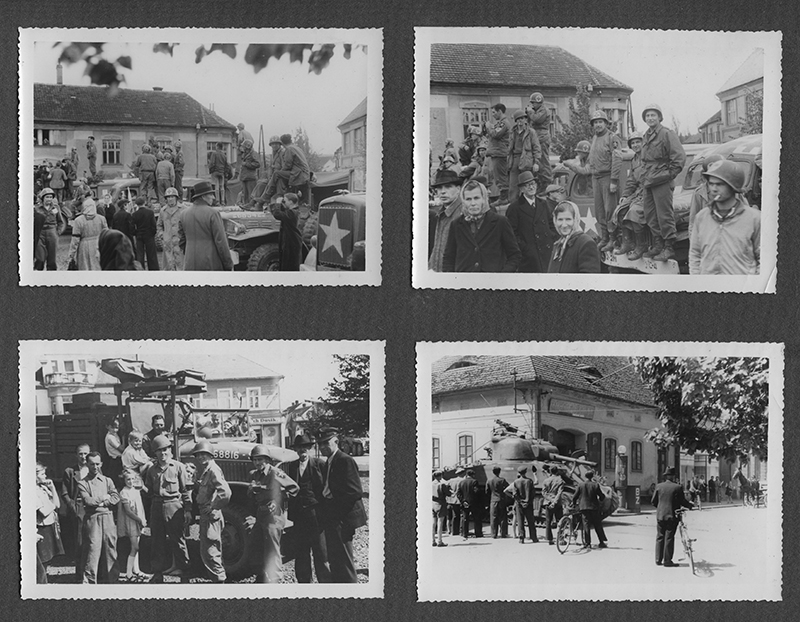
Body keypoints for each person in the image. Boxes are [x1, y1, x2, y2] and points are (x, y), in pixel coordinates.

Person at [689, 160, 760, 275]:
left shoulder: (754, 219)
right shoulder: (702, 218)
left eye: (720, 184)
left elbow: (763, 258)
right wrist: (697, 282)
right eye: (711, 184)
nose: (714, 189)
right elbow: (695, 255)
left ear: (733, 186)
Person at [316, 427, 367, 583]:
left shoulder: (345, 460)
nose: (322, 447)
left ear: (336, 442)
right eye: (320, 444)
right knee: (335, 558)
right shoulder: (329, 462)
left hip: (342, 518)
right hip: (332, 517)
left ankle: (351, 594)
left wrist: (338, 514)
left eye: (326, 443)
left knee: (344, 560)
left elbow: (354, 492)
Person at [280, 433, 333, 582]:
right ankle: (304, 585)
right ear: (296, 450)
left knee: (321, 553)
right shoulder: (292, 466)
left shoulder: (320, 464)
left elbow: (327, 489)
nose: (302, 451)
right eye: (299, 448)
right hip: (299, 517)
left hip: (317, 516)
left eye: (305, 447)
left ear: (309, 449)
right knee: (301, 553)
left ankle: (326, 586)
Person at [246, 444, 300, 583]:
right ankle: (261, 574)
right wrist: (251, 490)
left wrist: (278, 500)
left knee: (272, 548)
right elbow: (251, 496)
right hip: (261, 514)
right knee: (255, 543)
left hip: (274, 516)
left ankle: (276, 578)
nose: (258, 463)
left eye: (260, 459)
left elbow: (294, 488)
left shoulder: (275, 473)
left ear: (267, 460)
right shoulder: (254, 474)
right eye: (255, 460)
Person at [442, 180, 521, 272]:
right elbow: (448, 257)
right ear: (463, 201)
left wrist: (502, 277)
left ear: (484, 199)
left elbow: (514, 255)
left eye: (476, 198)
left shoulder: (500, 222)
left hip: (491, 283)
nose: (473, 203)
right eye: (468, 199)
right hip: (464, 283)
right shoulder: (456, 224)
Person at [640, 103, 686, 260]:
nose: (650, 118)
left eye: (653, 115)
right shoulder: (645, 135)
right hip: (648, 182)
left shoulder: (667, 134)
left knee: (664, 215)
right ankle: (658, 245)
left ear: (659, 117)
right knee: (650, 215)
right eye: (647, 116)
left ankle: (669, 247)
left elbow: (679, 157)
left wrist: (667, 175)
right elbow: (644, 160)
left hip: (662, 181)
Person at [143, 435, 191, 583]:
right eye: (159, 451)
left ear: (169, 450)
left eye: (165, 450)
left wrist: (188, 510)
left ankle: (185, 573)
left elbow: (185, 491)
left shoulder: (178, 467)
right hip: (157, 506)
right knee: (157, 541)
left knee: (178, 541)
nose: (163, 453)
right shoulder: (151, 470)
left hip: (174, 506)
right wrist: (139, 487)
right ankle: (158, 573)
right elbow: (149, 491)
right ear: (155, 453)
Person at [192, 440, 231, 583]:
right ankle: (219, 579)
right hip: (207, 514)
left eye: (204, 454)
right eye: (199, 455)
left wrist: (214, 506)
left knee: (211, 551)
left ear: (210, 455)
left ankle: (219, 583)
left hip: (210, 515)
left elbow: (225, 492)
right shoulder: (207, 470)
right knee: (211, 549)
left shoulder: (213, 470)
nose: (201, 457)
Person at [78, 452, 120, 583]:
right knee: (92, 550)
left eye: (97, 464)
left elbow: (116, 497)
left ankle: (112, 581)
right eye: (92, 464)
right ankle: (89, 583)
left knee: (110, 549)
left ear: (101, 464)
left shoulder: (108, 480)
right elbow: (88, 501)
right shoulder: (82, 483)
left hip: (108, 518)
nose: (95, 467)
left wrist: (105, 502)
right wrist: (103, 498)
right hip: (93, 519)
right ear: (87, 464)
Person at [506, 171, 557, 273]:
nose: (531, 187)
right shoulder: (514, 208)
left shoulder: (543, 204)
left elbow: (552, 225)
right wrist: (526, 249)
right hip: (529, 257)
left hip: (546, 252)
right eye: (526, 185)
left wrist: (551, 240)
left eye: (533, 184)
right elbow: (511, 234)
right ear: (521, 189)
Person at [586, 110, 622, 253]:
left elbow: (617, 159)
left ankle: (614, 238)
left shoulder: (612, 137)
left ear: (606, 123)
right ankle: (605, 237)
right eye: (595, 122)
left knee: (610, 210)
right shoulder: (594, 138)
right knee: (599, 210)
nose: (598, 125)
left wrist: (614, 180)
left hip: (608, 177)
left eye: (600, 122)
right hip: (596, 178)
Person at [178, 181, 234, 271]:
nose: (214, 197)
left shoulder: (183, 214)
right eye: (211, 194)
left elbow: (181, 241)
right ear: (203, 197)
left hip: (189, 264)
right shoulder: (213, 213)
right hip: (210, 264)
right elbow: (221, 242)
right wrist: (228, 265)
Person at [612, 132, 648, 259]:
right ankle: (628, 243)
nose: (636, 145)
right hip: (637, 192)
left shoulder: (648, 157)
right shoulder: (634, 160)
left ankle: (641, 245)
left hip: (648, 192)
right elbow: (631, 180)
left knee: (634, 212)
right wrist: (625, 195)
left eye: (638, 142)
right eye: (633, 143)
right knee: (620, 210)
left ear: (643, 143)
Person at [651, 467, 694, 566]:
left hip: (660, 516)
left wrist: (661, 508)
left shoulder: (659, 486)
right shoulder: (677, 487)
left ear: (666, 476)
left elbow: (653, 501)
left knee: (660, 536)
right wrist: (690, 506)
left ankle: (658, 560)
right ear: (673, 476)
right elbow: (682, 501)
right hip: (672, 516)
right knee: (669, 537)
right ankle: (667, 561)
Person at [61, 443, 90, 582]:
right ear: (76, 455)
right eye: (81, 454)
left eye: (86, 454)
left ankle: (92, 573)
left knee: (92, 540)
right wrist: (72, 506)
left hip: (92, 508)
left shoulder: (94, 468)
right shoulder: (70, 471)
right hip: (78, 508)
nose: (84, 457)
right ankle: (79, 575)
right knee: (79, 542)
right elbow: (64, 492)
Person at [548, 201, 602, 273]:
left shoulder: (586, 243)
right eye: (560, 219)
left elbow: (589, 281)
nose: (564, 225)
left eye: (568, 219)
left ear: (575, 219)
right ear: (555, 221)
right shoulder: (558, 245)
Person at [428, 169, 464, 271]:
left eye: (448, 187)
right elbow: (437, 247)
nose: (442, 191)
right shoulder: (441, 212)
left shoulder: (463, 213)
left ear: (458, 189)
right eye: (439, 188)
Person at [36, 462, 64, 583]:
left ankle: (44, 580)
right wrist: (52, 505)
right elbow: (44, 511)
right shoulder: (32, 491)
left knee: (49, 558)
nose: (45, 476)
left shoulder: (43, 488)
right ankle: (41, 582)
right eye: (42, 474)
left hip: (50, 524)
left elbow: (57, 504)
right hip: (42, 527)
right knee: (43, 558)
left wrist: (52, 487)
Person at [117, 470, 147, 581]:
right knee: (135, 547)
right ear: (124, 481)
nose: (131, 481)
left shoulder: (135, 490)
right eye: (128, 479)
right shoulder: (124, 492)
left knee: (136, 546)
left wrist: (142, 519)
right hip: (131, 521)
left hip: (138, 520)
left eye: (133, 479)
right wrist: (139, 520)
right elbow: (128, 511)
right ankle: (129, 573)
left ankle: (136, 570)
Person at [507, 109, 541, 204]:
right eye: (518, 119)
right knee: (513, 186)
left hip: (527, 160)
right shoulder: (512, 132)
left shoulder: (531, 132)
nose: (520, 121)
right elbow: (509, 148)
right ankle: (513, 206)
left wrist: (536, 162)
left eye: (522, 119)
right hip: (514, 159)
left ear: (526, 120)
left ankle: (529, 205)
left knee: (528, 184)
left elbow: (536, 148)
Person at [68, 197, 108, 270]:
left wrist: (72, 254)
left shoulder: (78, 220)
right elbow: (106, 235)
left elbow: (75, 239)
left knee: (85, 267)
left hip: (84, 246)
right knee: (97, 267)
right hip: (98, 245)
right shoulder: (102, 218)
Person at [572, 469, 608, 549]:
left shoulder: (581, 485)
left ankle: (588, 543)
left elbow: (575, 496)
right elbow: (601, 496)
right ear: (592, 477)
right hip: (594, 508)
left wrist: (574, 503)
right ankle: (601, 542)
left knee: (586, 525)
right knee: (597, 525)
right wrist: (602, 499)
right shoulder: (595, 485)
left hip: (584, 507)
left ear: (585, 476)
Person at [483, 103, 511, 205]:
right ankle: (503, 197)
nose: (493, 115)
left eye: (494, 112)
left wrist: (488, 126)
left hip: (500, 153)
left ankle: (503, 198)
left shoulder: (503, 123)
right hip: (497, 152)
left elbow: (495, 134)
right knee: (498, 175)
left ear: (500, 111)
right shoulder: (500, 123)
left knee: (500, 176)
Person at [273, 133, 311, 201]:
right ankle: (279, 197)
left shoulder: (289, 149)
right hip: (304, 174)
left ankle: (271, 197)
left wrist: (281, 171)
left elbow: (288, 165)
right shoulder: (297, 148)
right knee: (280, 177)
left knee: (276, 174)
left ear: (282, 143)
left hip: (299, 175)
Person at [271, 193, 303, 271]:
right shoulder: (291, 211)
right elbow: (277, 212)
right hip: (290, 243)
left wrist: (278, 203)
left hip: (292, 244)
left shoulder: (293, 213)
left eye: (285, 201)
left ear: (291, 202)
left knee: (290, 267)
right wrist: (278, 203)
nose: (283, 203)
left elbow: (277, 214)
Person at [158, 187, 186, 270]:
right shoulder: (163, 210)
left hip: (179, 241)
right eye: (168, 197)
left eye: (172, 197)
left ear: (176, 198)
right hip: (168, 242)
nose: (170, 199)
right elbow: (159, 225)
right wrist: (162, 235)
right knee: (168, 265)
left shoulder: (183, 209)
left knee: (180, 264)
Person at [34, 188, 61, 271]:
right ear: (42, 198)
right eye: (47, 197)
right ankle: (38, 276)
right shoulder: (37, 208)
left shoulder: (55, 207)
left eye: (50, 197)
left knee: (52, 258)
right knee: (40, 258)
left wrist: (57, 232)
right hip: (40, 232)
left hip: (52, 232)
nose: (49, 199)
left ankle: (51, 278)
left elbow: (60, 222)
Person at [131, 196, 159, 271]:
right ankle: (153, 269)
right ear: (144, 202)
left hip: (139, 235)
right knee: (151, 254)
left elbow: (132, 226)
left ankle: (141, 269)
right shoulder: (150, 212)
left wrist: (136, 233)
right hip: (149, 235)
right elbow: (153, 224)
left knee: (140, 254)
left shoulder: (134, 214)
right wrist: (153, 233)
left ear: (136, 204)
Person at [512, 466, 538, 544]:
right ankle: (534, 538)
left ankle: (521, 538)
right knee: (531, 521)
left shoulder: (516, 482)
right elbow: (533, 493)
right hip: (528, 504)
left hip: (519, 504)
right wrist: (528, 502)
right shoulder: (529, 481)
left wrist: (520, 501)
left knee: (520, 521)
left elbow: (515, 494)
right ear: (525, 472)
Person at [542, 464, 566, 545]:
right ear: (557, 471)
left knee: (548, 521)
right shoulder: (560, 481)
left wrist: (551, 500)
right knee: (560, 521)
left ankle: (550, 539)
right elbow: (559, 493)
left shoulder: (546, 481)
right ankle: (561, 539)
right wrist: (555, 501)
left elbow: (544, 493)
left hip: (548, 503)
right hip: (557, 504)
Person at [485, 466, 509, 539]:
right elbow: (507, 488)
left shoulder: (489, 480)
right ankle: (503, 534)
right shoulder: (502, 480)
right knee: (502, 517)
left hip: (493, 500)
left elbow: (487, 491)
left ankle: (494, 534)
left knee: (493, 517)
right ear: (499, 472)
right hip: (501, 500)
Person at [456, 469, 480, 539]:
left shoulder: (461, 482)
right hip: (474, 503)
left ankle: (464, 533)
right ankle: (478, 533)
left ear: (466, 475)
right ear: (473, 475)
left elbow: (458, 493)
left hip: (465, 503)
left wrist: (463, 501)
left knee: (465, 518)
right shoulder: (474, 481)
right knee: (476, 518)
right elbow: (476, 492)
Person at [238, 139, 261, 203]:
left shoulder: (253, 153)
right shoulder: (245, 154)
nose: (243, 148)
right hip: (245, 177)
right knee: (245, 194)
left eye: (244, 146)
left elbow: (258, 164)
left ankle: (251, 206)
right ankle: (246, 205)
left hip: (250, 177)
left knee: (251, 194)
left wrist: (246, 164)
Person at [432, 469, 450, 547]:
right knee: (440, 523)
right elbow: (448, 493)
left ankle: (432, 541)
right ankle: (440, 541)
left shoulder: (430, 484)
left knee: (433, 523)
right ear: (440, 476)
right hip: (441, 504)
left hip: (432, 504)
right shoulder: (441, 485)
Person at [103, 419, 124, 485]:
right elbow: (121, 449)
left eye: (116, 428)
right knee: (116, 479)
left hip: (118, 459)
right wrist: (124, 438)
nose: (115, 430)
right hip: (115, 460)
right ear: (107, 426)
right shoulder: (110, 437)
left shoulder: (114, 434)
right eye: (112, 427)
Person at [447, 467, 465, 537]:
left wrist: (452, 492)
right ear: (462, 473)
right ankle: (460, 531)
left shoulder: (451, 480)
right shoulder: (463, 480)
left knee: (454, 516)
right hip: (460, 500)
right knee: (461, 516)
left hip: (452, 500)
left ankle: (454, 531)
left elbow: (446, 487)